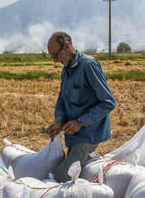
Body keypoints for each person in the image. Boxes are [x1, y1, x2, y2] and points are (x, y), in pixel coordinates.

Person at [45, 31, 116, 182]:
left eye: (56, 55)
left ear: (67, 46)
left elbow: (108, 102)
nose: (55, 61)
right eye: (51, 56)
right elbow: (61, 101)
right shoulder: (66, 71)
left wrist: (81, 122)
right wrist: (60, 121)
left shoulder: (88, 65)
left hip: (88, 134)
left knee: (62, 176)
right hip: (73, 136)